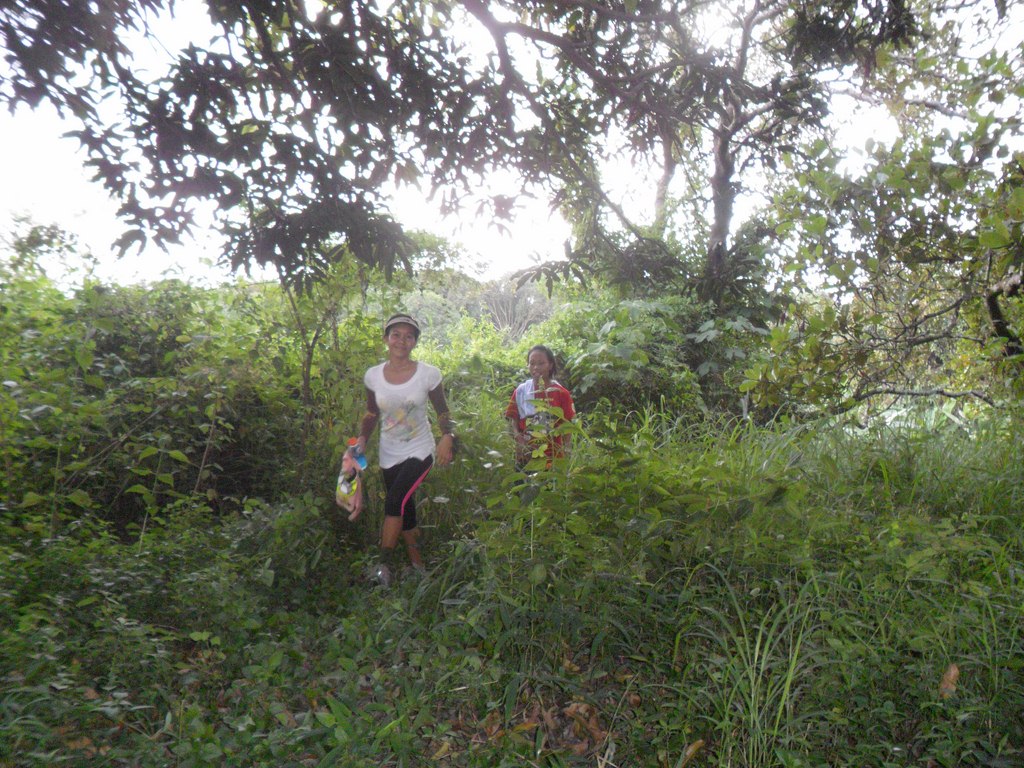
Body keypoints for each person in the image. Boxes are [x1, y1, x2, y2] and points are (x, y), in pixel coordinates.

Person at [348, 313, 455, 583]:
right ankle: (418, 566)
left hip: (421, 449)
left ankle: (383, 567)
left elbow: (443, 411)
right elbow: (371, 413)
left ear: (415, 342)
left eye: (409, 336)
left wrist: (447, 436)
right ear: (386, 339)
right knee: (404, 507)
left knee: (394, 500)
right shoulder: (373, 376)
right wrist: (362, 439)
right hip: (389, 452)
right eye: (396, 334)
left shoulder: (428, 374)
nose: (401, 341)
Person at [505, 345, 575, 471]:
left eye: (541, 363)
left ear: (550, 365)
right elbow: (513, 420)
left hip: (552, 459)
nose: (536, 367)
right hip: (525, 457)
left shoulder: (561, 393)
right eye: (532, 363)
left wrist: (567, 452)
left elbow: (567, 427)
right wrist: (518, 438)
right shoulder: (521, 392)